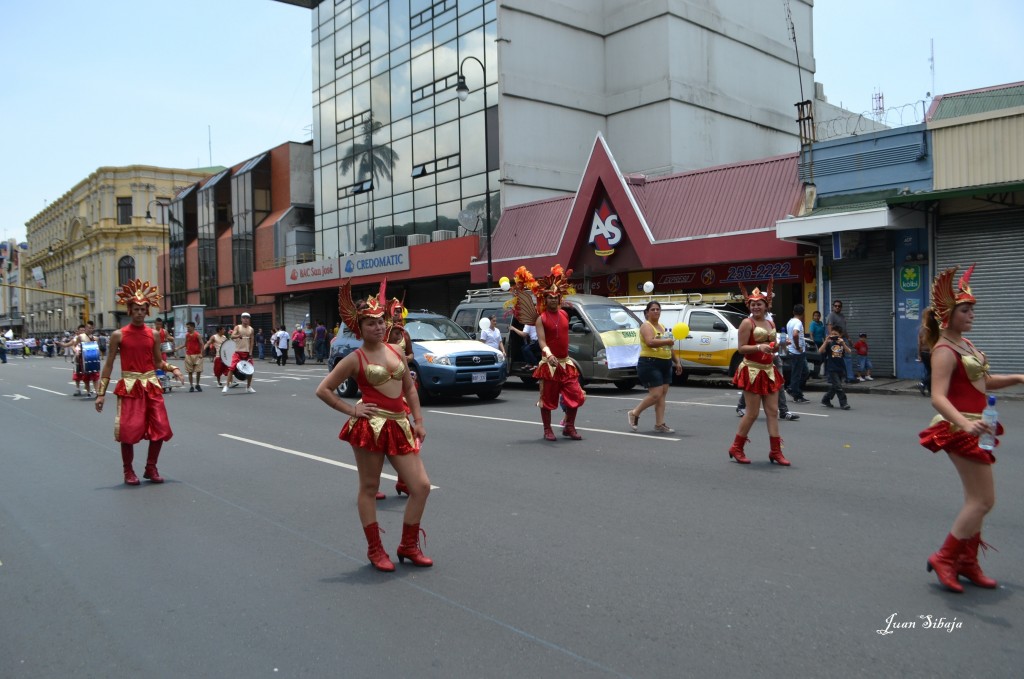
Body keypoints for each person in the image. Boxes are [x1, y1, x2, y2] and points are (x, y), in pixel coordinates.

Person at [918, 265, 1023, 593]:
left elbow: (983, 382)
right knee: (982, 501)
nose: (972, 314)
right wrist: (965, 424)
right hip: (959, 426)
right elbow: (937, 397)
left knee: (977, 499)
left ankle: (967, 561)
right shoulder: (944, 351)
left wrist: (1018, 378)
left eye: (972, 309)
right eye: (965, 310)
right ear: (948, 315)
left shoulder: (966, 344)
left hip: (979, 426)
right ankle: (946, 558)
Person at [316, 280, 431, 572]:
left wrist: (418, 421)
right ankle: (375, 549)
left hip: (400, 425)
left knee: (421, 486)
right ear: (359, 327)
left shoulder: (395, 350)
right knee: (369, 487)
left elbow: (410, 389)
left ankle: (408, 544)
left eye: (381, 322)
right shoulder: (355, 358)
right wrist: (352, 409)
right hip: (370, 426)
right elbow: (324, 390)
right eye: (371, 324)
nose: (378, 327)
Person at [95, 279, 183, 485]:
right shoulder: (118, 335)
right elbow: (108, 365)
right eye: (136, 309)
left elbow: (158, 361)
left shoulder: (153, 334)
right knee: (128, 430)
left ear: (147, 311)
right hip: (130, 387)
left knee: (160, 427)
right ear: (129, 310)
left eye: (143, 309)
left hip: (151, 385)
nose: (140, 312)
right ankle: (128, 471)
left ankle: (150, 468)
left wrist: (174, 368)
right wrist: (101, 393)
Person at [515, 264, 586, 441]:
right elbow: (541, 341)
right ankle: (547, 429)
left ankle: (569, 426)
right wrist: (549, 354)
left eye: (556, 297)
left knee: (575, 396)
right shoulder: (541, 318)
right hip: (549, 364)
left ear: (560, 298)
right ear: (545, 299)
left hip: (565, 363)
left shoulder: (564, 315)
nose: (553, 300)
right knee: (547, 400)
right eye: (550, 298)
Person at [727, 280, 791, 466]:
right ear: (749, 306)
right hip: (752, 371)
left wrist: (779, 345)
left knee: (773, 411)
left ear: (766, 305)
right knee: (752, 413)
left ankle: (776, 452)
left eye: (759, 304)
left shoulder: (770, 323)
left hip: (769, 371)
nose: (756, 306)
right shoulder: (747, 323)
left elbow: (771, 346)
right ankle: (736, 448)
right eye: (753, 304)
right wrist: (758, 346)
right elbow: (741, 348)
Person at [628, 301, 682, 433]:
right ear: (647, 312)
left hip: (665, 363)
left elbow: (669, 347)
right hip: (650, 363)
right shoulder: (646, 326)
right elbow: (650, 342)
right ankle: (634, 412)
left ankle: (660, 424)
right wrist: (667, 341)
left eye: (658, 309)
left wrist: (677, 362)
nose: (656, 311)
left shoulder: (662, 327)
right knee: (656, 394)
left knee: (662, 395)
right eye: (653, 309)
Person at [819, 326, 852, 410]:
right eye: (832, 334)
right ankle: (843, 403)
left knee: (835, 386)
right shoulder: (829, 343)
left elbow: (849, 351)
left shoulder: (841, 342)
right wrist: (826, 342)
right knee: (838, 386)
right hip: (832, 368)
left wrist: (843, 343)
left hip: (840, 368)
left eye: (836, 334)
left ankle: (826, 399)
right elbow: (820, 351)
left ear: (840, 335)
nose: (833, 335)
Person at [224, 313, 256, 394]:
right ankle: (227, 386)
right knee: (232, 368)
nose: (245, 319)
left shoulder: (251, 329)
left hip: (247, 352)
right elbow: (232, 336)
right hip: (238, 352)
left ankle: (248, 387)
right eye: (244, 318)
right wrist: (238, 336)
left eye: (247, 318)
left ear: (249, 319)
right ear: (241, 319)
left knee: (250, 370)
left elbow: (252, 342)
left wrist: (251, 352)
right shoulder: (238, 327)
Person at [826, 300, 856, 383]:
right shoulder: (831, 315)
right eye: (835, 305)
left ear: (841, 307)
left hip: (843, 338)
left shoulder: (842, 316)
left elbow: (844, 329)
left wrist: (849, 338)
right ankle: (831, 378)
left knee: (847, 357)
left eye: (839, 306)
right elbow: (830, 328)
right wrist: (833, 339)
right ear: (833, 306)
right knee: (834, 358)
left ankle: (849, 377)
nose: (837, 307)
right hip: (835, 339)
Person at [785, 304, 810, 403]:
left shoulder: (790, 322)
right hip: (797, 352)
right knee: (797, 374)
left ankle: (792, 388)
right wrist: (798, 346)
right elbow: (795, 334)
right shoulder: (798, 322)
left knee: (805, 372)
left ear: (793, 312)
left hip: (796, 352)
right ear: (803, 313)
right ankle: (797, 395)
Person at [176, 321, 205, 392]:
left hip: (197, 355)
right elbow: (185, 344)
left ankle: (197, 384)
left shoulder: (197, 335)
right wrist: (178, 348)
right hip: (189, 355)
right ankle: (191, 385)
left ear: (193, 327)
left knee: (198, 371)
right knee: (190, 371)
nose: (187, 329)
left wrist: (201, 354)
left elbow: (202, 344)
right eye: (187, 327)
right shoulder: (187, 335)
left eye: (188, 327)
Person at [808, 310, 825, 378]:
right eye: (815, 316)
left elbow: (823, 334)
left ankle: (815, 373)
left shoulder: (821, 323)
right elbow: (811, 334)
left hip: (821, 343)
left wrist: (825, 341)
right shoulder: (812, 323)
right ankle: (814, 374)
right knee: (816, 359)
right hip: (815, 343)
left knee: (822, 358)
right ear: (813, 316)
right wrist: (813, 343)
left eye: (818, 316)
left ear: (820, 316)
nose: (817, 317)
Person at [917, 323, 932, 396]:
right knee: (935, 372)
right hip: (930, 353)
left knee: (930, 371)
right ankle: (922, 383)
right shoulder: (932, 329)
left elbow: (919, 344)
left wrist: (919, 355)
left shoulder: (921, 330)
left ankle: (930, 390)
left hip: (923, 353)